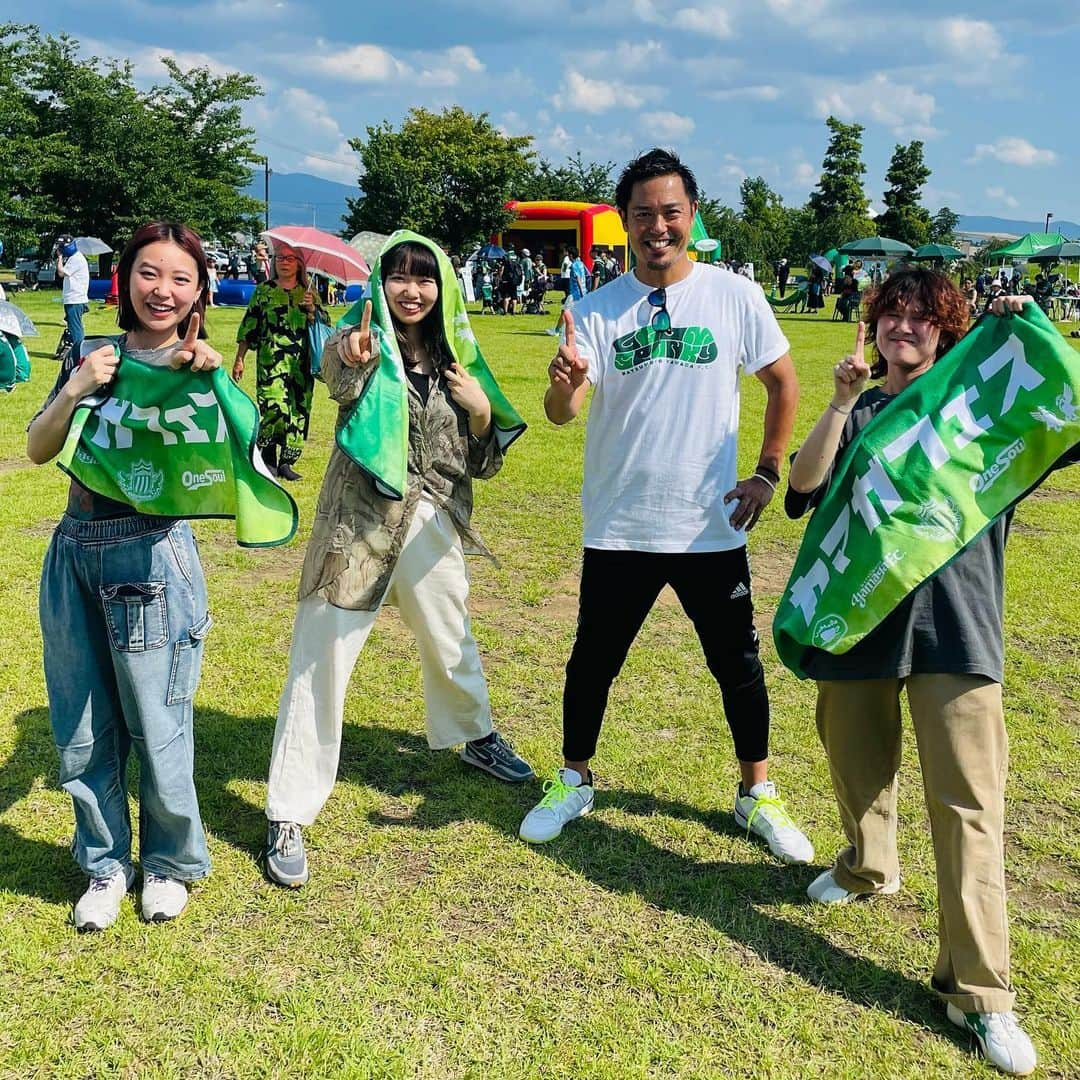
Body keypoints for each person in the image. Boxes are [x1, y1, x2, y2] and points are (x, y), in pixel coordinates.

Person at [786, 268, 1077, 1076]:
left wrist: (1032, 330)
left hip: (959, 630)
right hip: (859, 623)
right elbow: (803, 491)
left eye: (922, 318)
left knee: (970, 807)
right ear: (872, 327)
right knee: (854, 763)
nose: (903, 327)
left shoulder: (982, 411)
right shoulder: (865, 408)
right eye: (891, 315)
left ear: (949, 331)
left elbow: (1068, 411)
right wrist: (841, 401)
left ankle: (980, 995)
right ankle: (866, 864)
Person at [519, 149, 812, 864]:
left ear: (690, 216)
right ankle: (574, 780)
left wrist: (768, 473)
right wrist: (563, 383)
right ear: (624, 223)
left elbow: (783, 383)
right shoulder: (591, 310)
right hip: (621, 523)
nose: (658, 226)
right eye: (643, 214)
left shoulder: (734, 296)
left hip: (710, 524)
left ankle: (757, 793)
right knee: (593, 661)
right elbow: (563, 412)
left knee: (736, 662)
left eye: (670, 212)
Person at [262, 235, 532, 888]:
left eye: (426, 279)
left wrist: (479, 413)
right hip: (359, 519)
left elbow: (485, 461)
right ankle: (288, 810)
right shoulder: (363, 335)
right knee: (321, 653)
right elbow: (337, 377)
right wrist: (349, 357)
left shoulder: (460, 356)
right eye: (399, 279)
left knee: (450, 636)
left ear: (443, 287)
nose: (412, 291)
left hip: (433, 514)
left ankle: (475, 736)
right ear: (381, 286)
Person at [26, 221, 223, 930]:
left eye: (179, 277)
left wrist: (209, 372)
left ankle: (169, 864)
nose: (161, 289)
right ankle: (106, 864)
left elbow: (230, 446)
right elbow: (38, 447)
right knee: (80, 724)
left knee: (158, 721)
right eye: (148, 272)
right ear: (124, 280)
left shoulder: (198, 364)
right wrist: (78, 384)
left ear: (198, 290)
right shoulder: (92, 354)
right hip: (74, 549)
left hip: (150, 558)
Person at [231, 244, 324, 482]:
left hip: (301, 365)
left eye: (290, 258)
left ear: (299, 264)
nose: (284, 262)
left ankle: (287, 462)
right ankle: (268, 455)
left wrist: (312, 309)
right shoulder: (263, 291)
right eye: (280, 257)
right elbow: (249, 325)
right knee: (274, 407)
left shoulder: (309, 292)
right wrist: (240, 358)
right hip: (270, 361)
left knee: (298, 411)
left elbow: (325, 327)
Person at [55, 236, 90, 355]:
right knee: (72, 325)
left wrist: (59, 258)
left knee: (75, 328)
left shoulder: (76, 259)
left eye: (61, 247)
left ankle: (80, 351)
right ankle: (72, 349)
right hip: (72, 298)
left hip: (75, 298)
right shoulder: (73, 258)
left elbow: (61, 272)